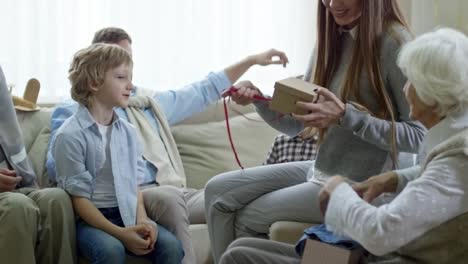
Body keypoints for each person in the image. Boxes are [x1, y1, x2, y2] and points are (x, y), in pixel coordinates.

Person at [219, 27, 468, 264]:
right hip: (372, 253)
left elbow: (379, 233)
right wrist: (392, 179)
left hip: (382, 256)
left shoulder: (454, 162)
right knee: (240, 250)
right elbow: (433, 174)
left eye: (411, 82)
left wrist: (339, 191)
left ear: (432, 91)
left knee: (237, 257)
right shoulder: (449, 143)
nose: (404, 89)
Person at [46, 27, 289, 263]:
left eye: (128, 63)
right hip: (134, 198)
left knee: (232, 198)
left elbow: (202, 91)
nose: (128, 79)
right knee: (168, 199)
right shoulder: (71, 117)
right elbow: (61, 170)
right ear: (95, 73)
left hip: (162, 192)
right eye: (117, 69)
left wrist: (251, 61)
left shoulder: (145, 106)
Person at [53, 43, 186, 263]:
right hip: (89, 220)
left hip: (127, 212)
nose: (131, 86)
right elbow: (79, 200)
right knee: (111, 250)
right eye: (122, 77)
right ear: (94, 83)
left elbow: (134, 185)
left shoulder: (128, 132)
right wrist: (120, 234)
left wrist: (143, 221)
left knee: (171, 247)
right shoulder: (69, 135)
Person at [0, 65, 76, 263]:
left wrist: (29, 180)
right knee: (16, 206)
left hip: (11, 183)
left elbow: (11, 137)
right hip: (9, 198)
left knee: (56, 199)